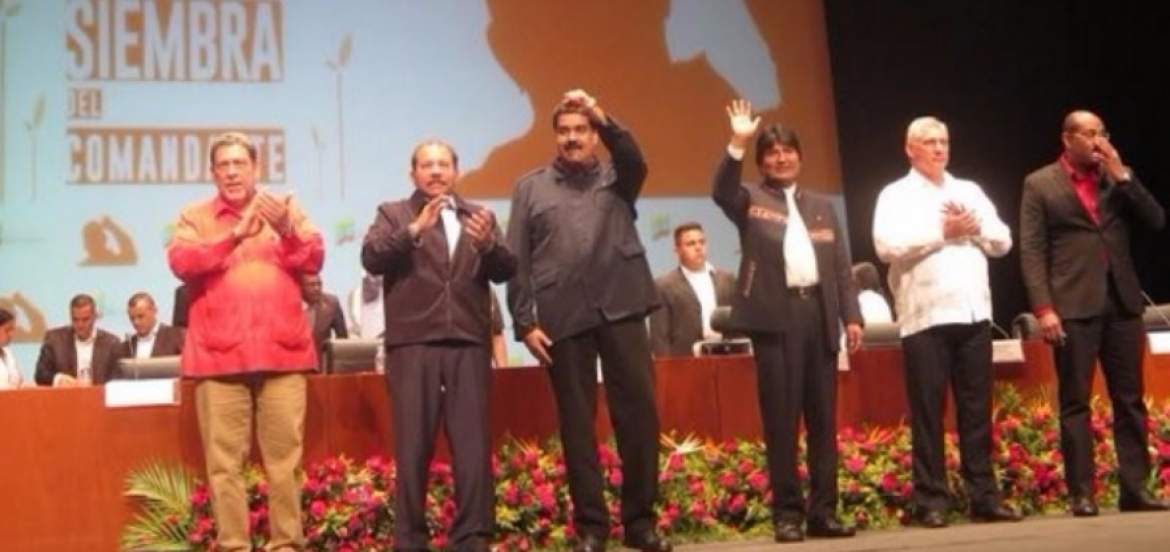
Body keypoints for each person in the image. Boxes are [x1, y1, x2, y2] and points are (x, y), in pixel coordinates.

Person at [506, 89, 670, 552]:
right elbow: (517, 259)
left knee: (638, 417)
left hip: (622, 305)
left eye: (582, 130)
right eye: (564, 131)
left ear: (595, 135)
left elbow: (634, 155)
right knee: (577, 425)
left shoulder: (619, 176)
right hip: (563, 314)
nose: (572, 138)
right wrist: (524, 322)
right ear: (555, 137)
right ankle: (592, 528)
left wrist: (600, 111)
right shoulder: (530, 187)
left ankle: (640, 524)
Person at [712, 99, 863, 543]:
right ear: (762, 162)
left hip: (819, 316)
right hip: (775, 321)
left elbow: (840, 267)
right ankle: (788, 515)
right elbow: (721, 191)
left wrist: (851, 316)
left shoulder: (822, 206)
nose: (781, 158)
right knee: (781, 422)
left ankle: (824, 512)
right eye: (772, 153)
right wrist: (737, 142)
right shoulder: (750, 199)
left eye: (788, 151)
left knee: (823, 422)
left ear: (799, 156)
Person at [167, 132, 324, 550]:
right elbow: (182, 262)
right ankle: (234, 546)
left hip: (283, 356)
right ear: (213, 172)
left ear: (256, 168)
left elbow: (314, 258)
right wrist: (234, 235)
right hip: (218, 359)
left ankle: (286, 545)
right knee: (224, 467)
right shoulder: (194, 217)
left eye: (240, 164)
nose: (233, 172)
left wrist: (286, 229)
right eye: (224, 165)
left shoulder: (284, 210)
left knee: (285, 464)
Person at [362, 139, 516, 551]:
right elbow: (372, 257)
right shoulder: (394, 214)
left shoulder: (478, 216)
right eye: (427, 165)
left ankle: (472, 537)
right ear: (413, 173)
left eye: (443, 164)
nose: (435, 172)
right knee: (413, 444)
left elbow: (506, 269)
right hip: (414, 343)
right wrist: (413, 231)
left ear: (456, 171)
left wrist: (488, 246)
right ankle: (411, 539)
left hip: (468, 341)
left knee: (472, 445)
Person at [873, 116, 1020, 527]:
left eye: (944, 141)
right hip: (926, 316)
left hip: (973, 314)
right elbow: (886, 245)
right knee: (927, 413)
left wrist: (973, 227)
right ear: (910, 149)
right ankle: (932, 500)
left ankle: (983, 497)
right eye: (930, 142)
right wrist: (943, 232)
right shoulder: (895, 194)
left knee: (976, 411)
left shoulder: (968, 190)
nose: (939, 148)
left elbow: (1003, 240)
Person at [1019, 110, 1168, 516]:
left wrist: (1124, 176)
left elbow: (1156, 220)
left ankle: (1135, 489)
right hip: (1072, 304)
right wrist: (1044, 308)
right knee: (1075, 402)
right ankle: (1082, 493)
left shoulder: (1117, 179)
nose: (1098, 140)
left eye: (1102, 132)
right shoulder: (1040, 183)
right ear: (1067, 139)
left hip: (1122, 302)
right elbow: (1032, 250)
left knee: (1130, 400)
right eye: (1088, 134)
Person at [648, 222, 737, 357]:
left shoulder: (727, 280)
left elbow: (739, 324)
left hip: (726, 356)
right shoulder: (664, 286)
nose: (698, 247)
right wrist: (666, 367)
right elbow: (659, 336)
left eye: (702, 242)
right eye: (691, 244)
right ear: (677, 250)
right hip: (685, 360)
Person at [34, 294, 121, 387]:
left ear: (95, 317)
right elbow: (40, 375)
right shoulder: (55, 340)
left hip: (99, 395)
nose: (80, 325)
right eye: (75, 319)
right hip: (67, 395)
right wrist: (59, 379)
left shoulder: (111, 343)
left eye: (85, 319)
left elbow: (118, 379)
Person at [119, 292, 185, 361]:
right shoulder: (126, 347)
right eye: (132, 318)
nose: (136, 322)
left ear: (154, 311)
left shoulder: (177, 336)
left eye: (140, 316)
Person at [300, 272, 348, 356]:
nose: (317, 288)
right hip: (295, 360)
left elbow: (342, 339)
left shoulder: (332, 303)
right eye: (312, 285)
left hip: (321, 360)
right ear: (301, 287)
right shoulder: (289, 303)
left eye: (319, 284)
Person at [0, 308, 23, 389]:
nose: (11, 334)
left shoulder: (8, 353)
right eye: (7, 330)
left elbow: (18, 382)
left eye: (12, 330)